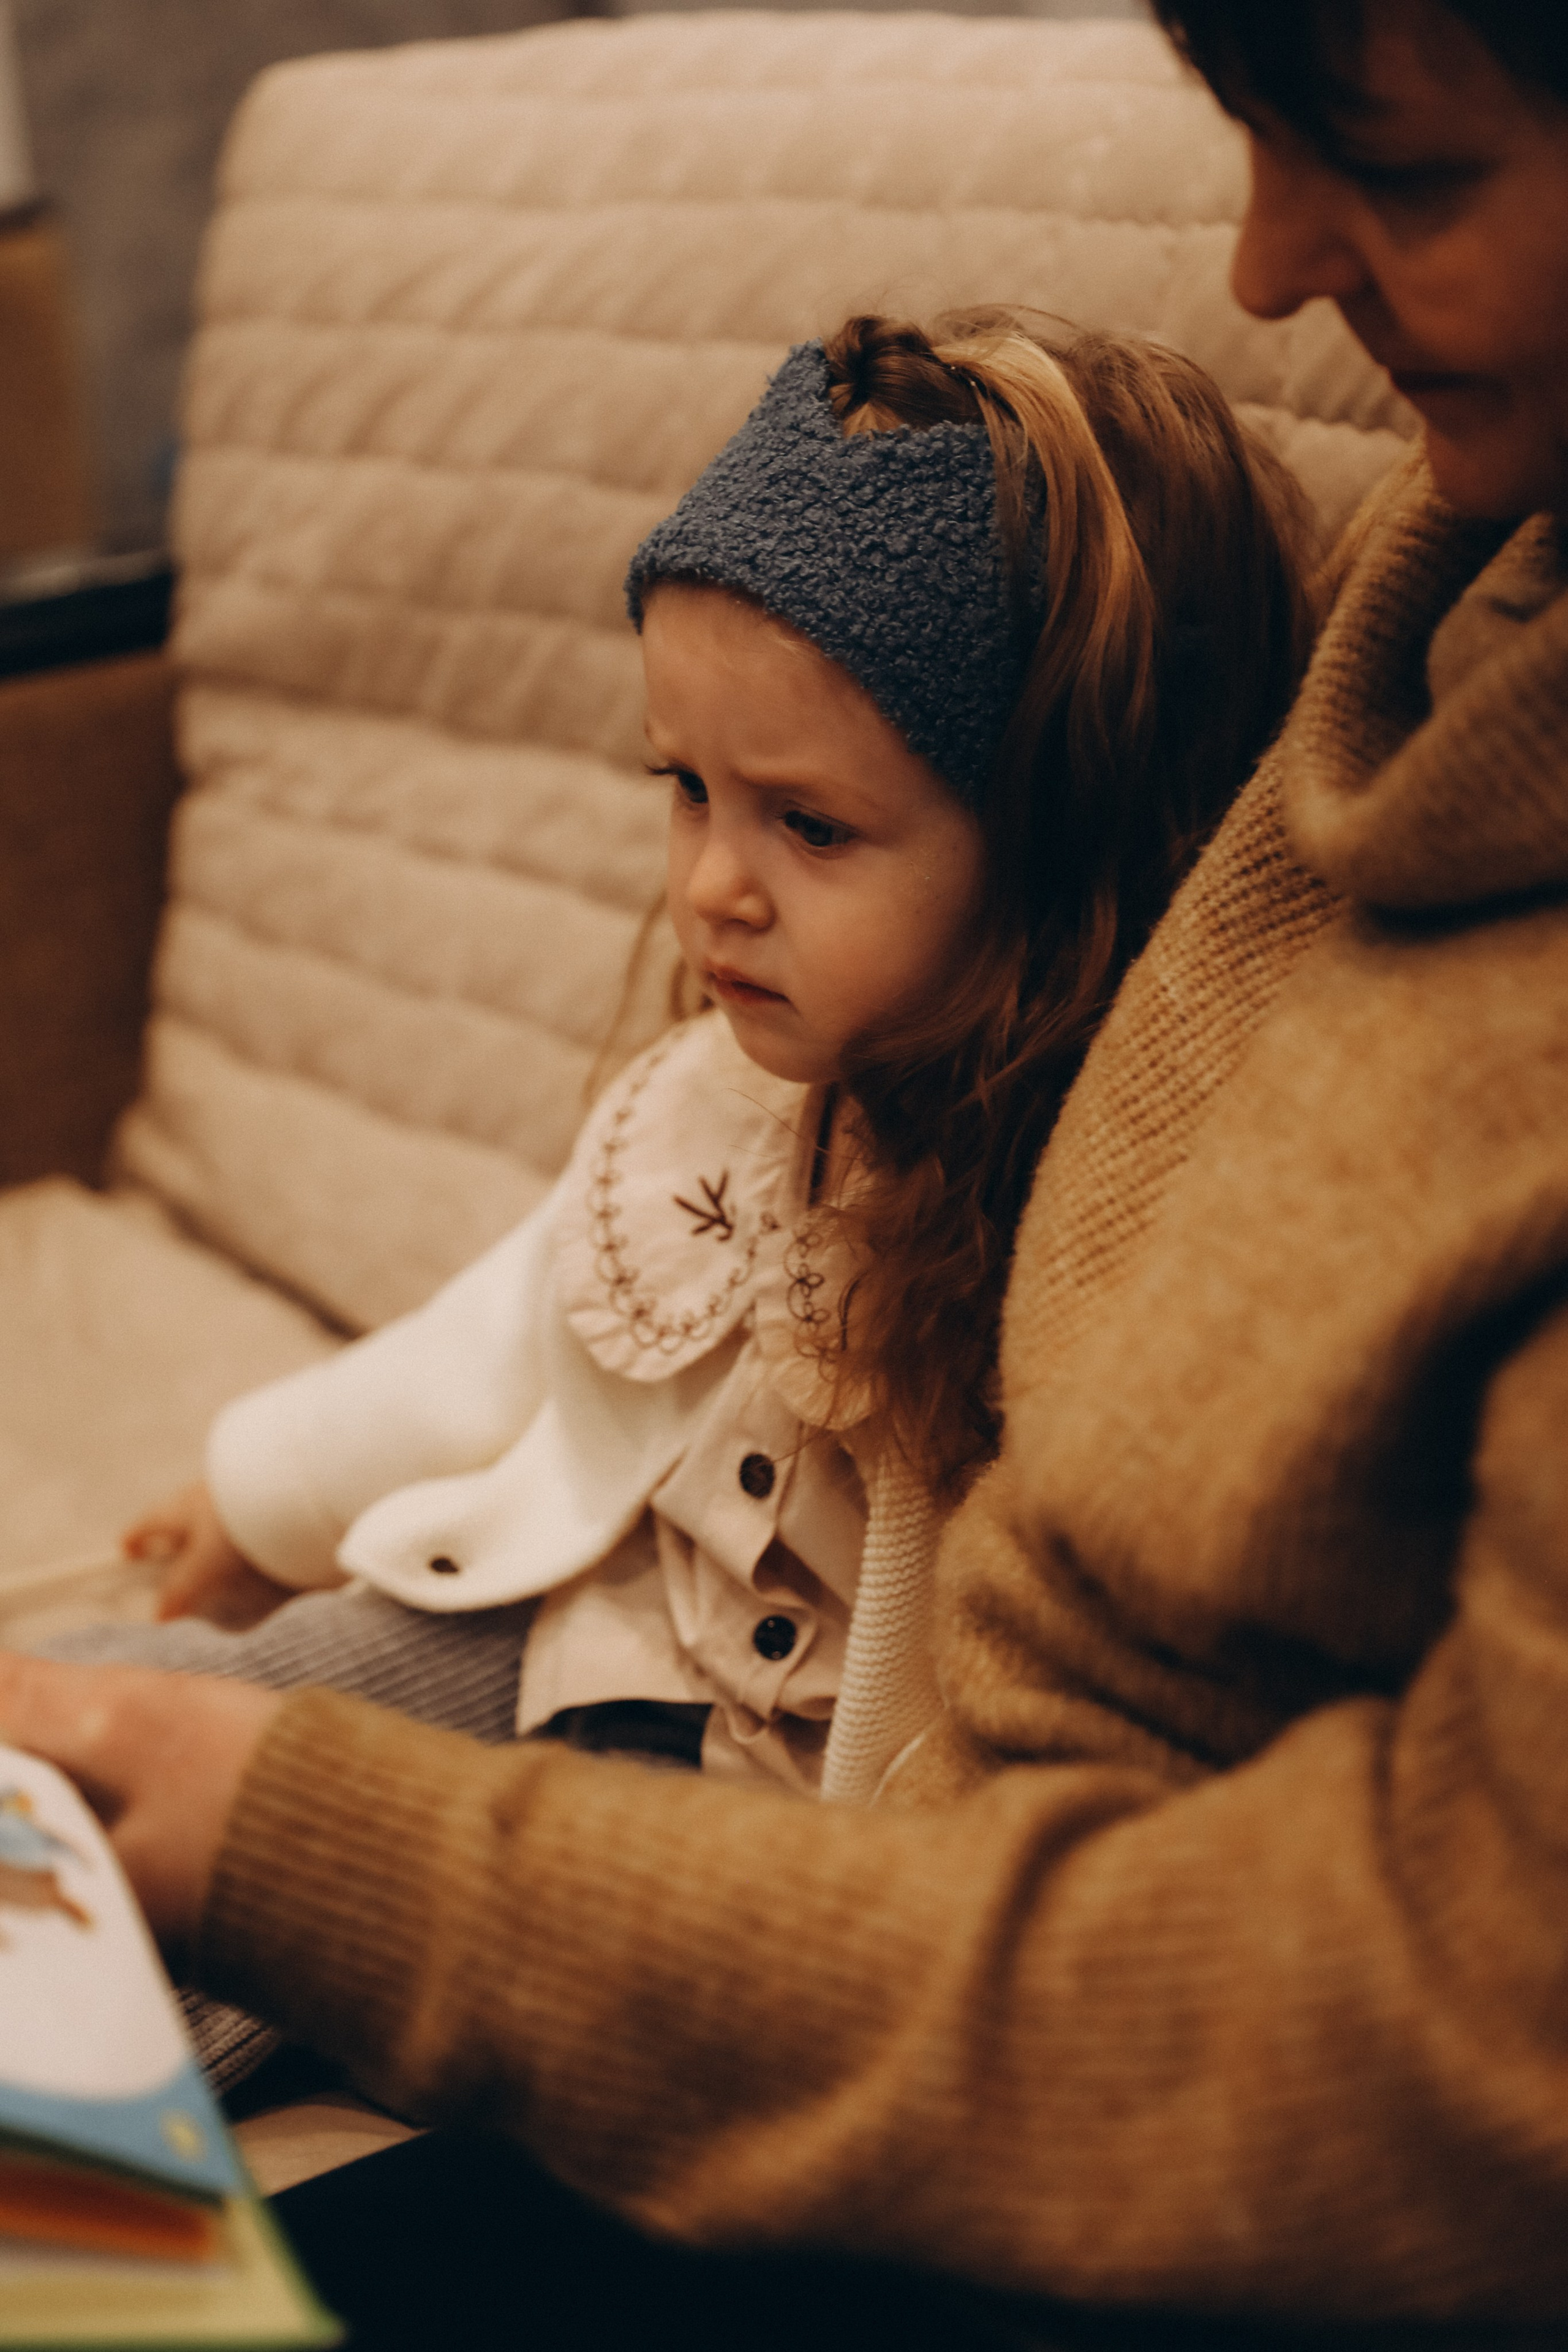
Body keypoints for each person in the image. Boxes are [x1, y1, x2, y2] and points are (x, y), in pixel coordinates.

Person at [4, 0, 1568, 2329]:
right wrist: (247, 1497)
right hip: (543, 1622)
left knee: (176, 2009)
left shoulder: (1058, 1190)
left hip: (759, 1821)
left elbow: (963, 1642)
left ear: (1051, 850)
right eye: (684, 795)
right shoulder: (755, 1085)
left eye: (809, 826)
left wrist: (807, 1885)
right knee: (124, 1748)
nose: (712, 890)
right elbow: (514, 1325)